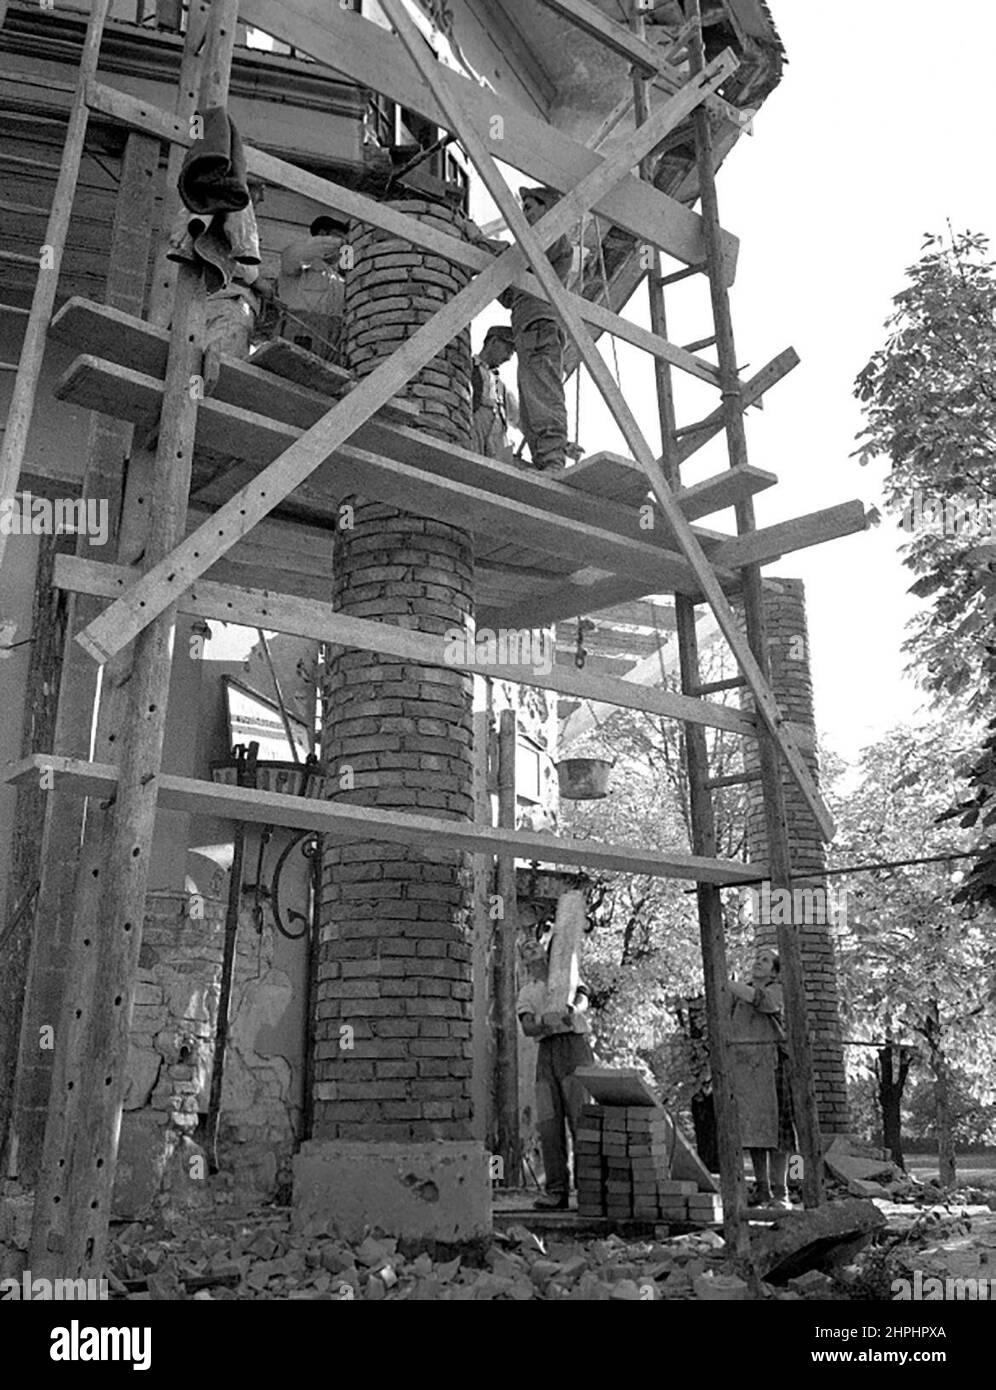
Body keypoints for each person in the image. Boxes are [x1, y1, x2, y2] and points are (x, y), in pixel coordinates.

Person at [517, 934, 594, 1210]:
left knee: (581, 1117)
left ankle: (589, 1191)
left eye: (535, 944)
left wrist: (572, 1010)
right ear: (524, 961)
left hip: (574, 1047)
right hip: (547, 1051)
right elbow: (527, 1027)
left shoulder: (565, 976)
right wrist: (544, 1023)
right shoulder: (528, 991)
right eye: (526, 949)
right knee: (549, 1122)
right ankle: (557, 1191)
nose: (532, 948)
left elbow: (584, 997)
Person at [499, 185, 572, 471]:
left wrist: (498, 251)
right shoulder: (533, 243)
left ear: (546, 208)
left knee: (542, 392)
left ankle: (553, 460)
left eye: (530, 207)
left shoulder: (551, 236)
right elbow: (509, 295)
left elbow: (527, 260)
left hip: (540, 326)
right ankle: (545, 461)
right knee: (530, 399)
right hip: (527, 329)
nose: (524, 213)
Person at [729, 948, 797, 1210]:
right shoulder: (738, 991)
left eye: (765, 960)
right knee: (754, 1133)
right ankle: (763, 1190)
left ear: (775, 970)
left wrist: (725, 982)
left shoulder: (777, 990)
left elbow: (763, 1002)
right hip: (746, 1071)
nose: (758, 962)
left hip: (772, 1067)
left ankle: (785, 1191)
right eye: (757, 958)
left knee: (780, 1134)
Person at [275, 214, 347, 362]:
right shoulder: (297, 258)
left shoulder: (338, 277)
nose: (344, 246)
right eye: (338, 237)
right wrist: (338, 243)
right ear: (322, 235)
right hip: (302, 331)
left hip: (333, 335)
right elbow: (305, 252)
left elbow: (351, 270)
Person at [471, 325, 517, 461]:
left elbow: (522, 420)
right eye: (508, 349)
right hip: (475, 426)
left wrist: (562, 445)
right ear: (494, 342)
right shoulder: (467, 367)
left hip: (497, 434)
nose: (509, 357)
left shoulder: (501, 386)